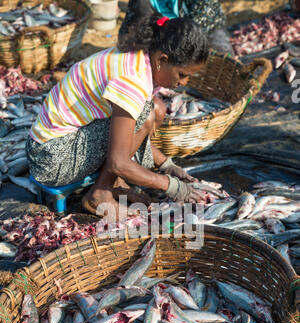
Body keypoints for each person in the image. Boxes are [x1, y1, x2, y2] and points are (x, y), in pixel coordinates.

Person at [26, 14, 209, 218]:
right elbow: (118, 162)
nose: (184, 83)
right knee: (146, 114)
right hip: (51, 158)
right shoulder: (132, 79)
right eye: (182, 75)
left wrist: (165, 164)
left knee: (156, 107)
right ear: (162, 60)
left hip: (57, 144)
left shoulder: (141, 58)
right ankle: (99, 195)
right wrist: (171, 186)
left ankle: (114, 182)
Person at [119, 0, 234, 55]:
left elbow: (200, 31)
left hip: (205, 32)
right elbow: (128, 41)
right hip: (157, 46)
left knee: (223, 55)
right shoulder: (142, 4)